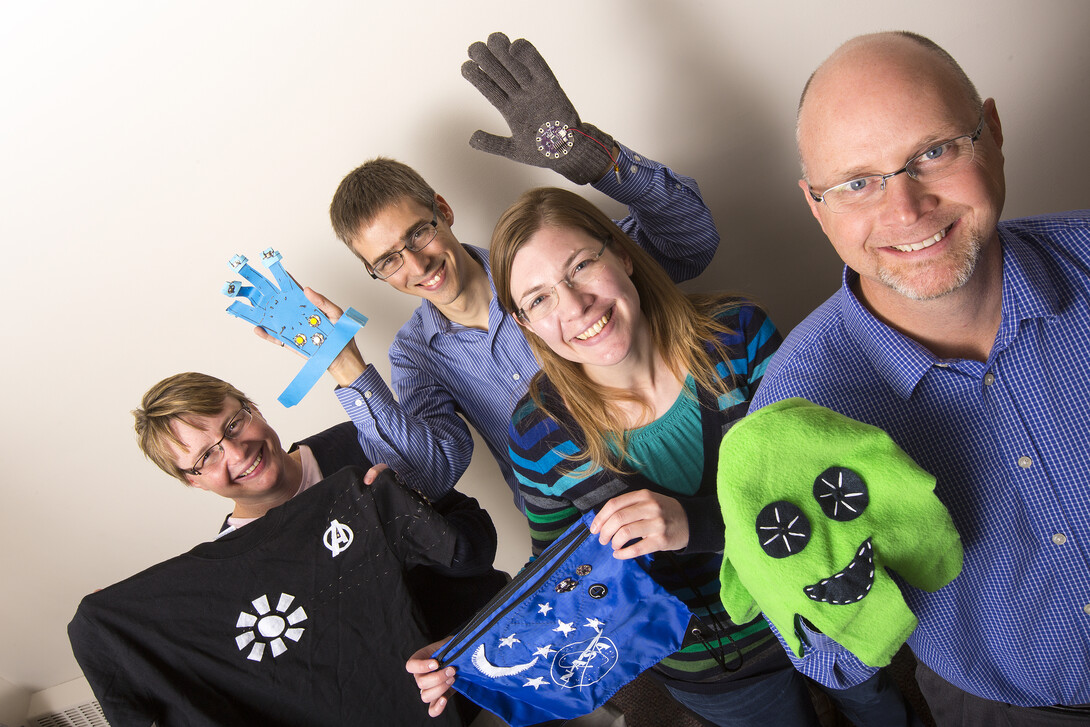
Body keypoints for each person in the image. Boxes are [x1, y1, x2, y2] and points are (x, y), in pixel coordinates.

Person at [751, 31, 1090, 726]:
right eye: (857, 182)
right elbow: (831, 659)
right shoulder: (794, 411)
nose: (905, 211)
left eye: (932, 153)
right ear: (816, 205)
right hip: (1005, 710)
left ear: (990, 134)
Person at [409, 186, 813, 727]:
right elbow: (562, 574)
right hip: (721, 668)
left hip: (825, 590)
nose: (574, 307)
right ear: (527, 324)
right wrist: (474, 649)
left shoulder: (738, 336)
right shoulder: (537, 436)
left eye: (580, 267)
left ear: (621, 253)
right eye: (539, 299)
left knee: (882, 706)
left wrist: (693, 523)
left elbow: (824, 482)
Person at [287, 32, 719, 510]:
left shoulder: (543, 255)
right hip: (588, 529)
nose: (417, 264)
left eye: (418, 234)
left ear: (444, 210)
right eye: (388, 260)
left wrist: (599, 162)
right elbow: (429, 477)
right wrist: (345, 366)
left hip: (695, 463)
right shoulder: (416, 355)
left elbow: (691, 244)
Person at [68, 372, 507, 726]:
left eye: (234, 425)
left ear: (252, 407)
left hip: (506, 655)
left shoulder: (356, 442)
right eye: (206, 457)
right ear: (192, 480)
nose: (237, 453)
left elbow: (476, 548)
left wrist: (411, 508)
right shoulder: (231, 577)